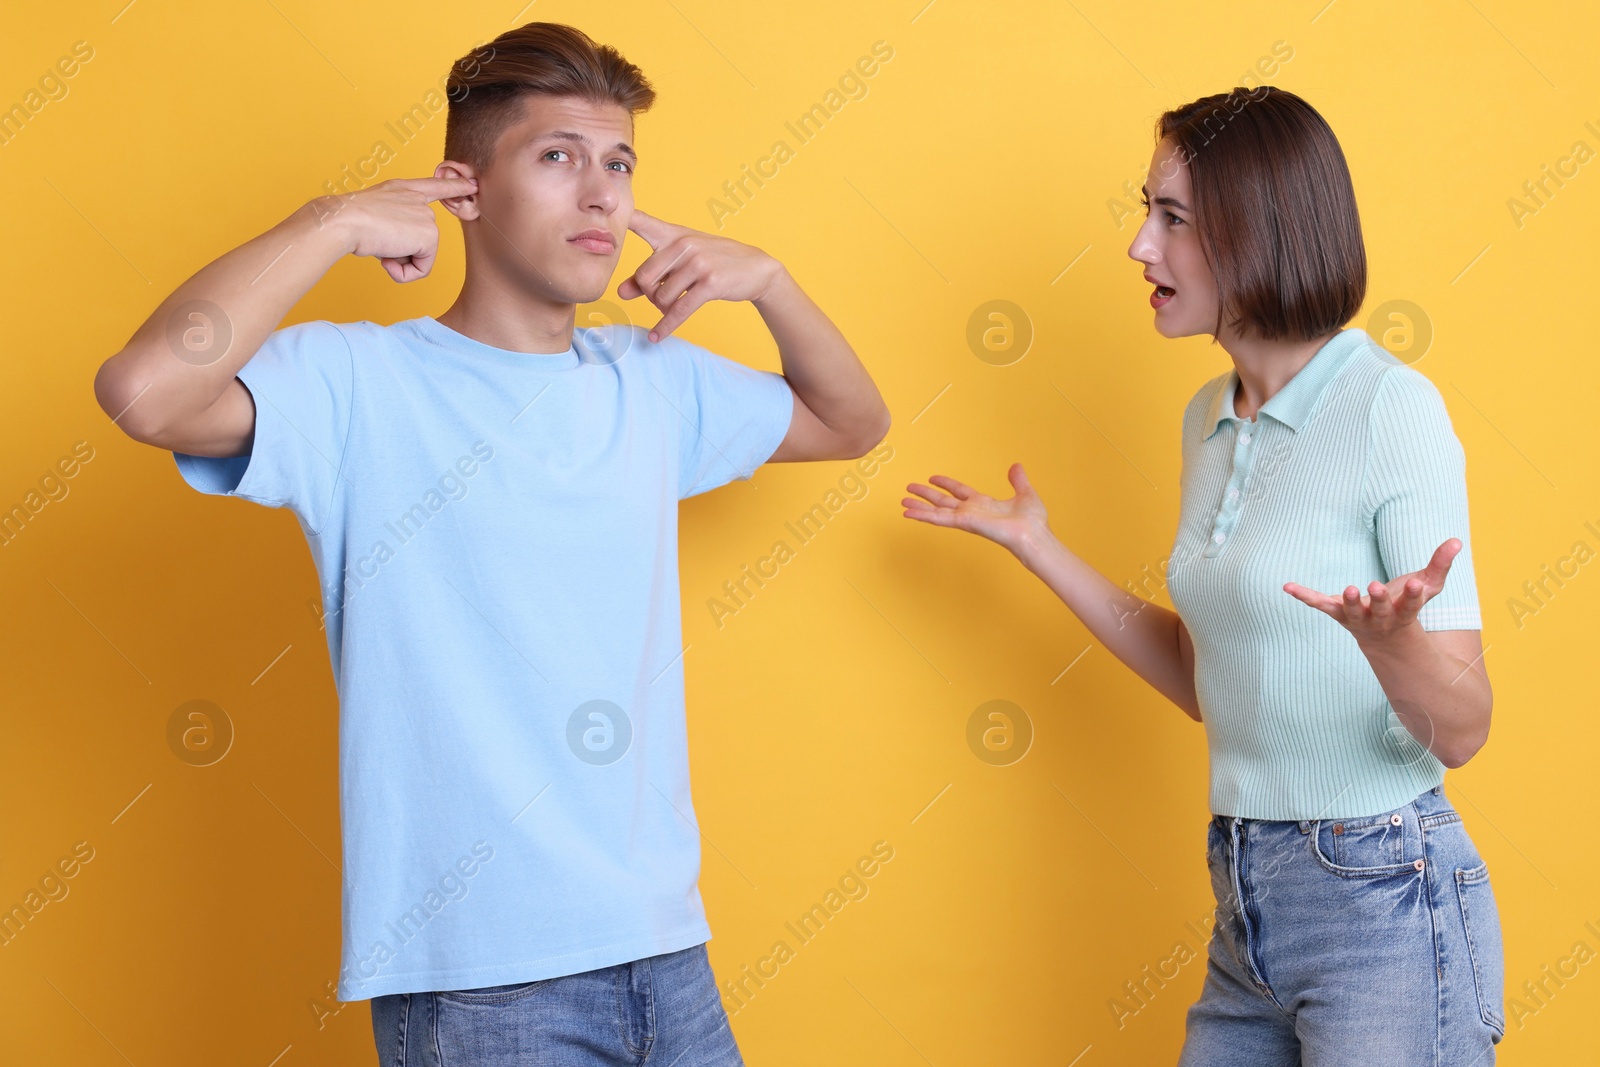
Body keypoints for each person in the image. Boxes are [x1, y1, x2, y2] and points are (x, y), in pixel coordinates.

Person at [93, 22, 889, 1067]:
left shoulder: (649, 379)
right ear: (462, 186)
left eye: (619, 162)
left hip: (666, 950)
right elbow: (145, 391)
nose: (602, 194)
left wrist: (771, 281)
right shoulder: (358, 384)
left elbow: (851, 422)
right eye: (558, 156)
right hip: (480, 982)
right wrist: (330, 222)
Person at [902, 86, 1504, 1065]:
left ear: (1260, 227)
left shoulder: (1391, 407)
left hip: (1383, 890)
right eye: (1147, 211)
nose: (1139, 246)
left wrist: (1393, 647)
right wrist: (1036, 544)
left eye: (1170, 217)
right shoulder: (1206, 419)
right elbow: (1203, 675)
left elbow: (1465, 726)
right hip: (1247, 892)